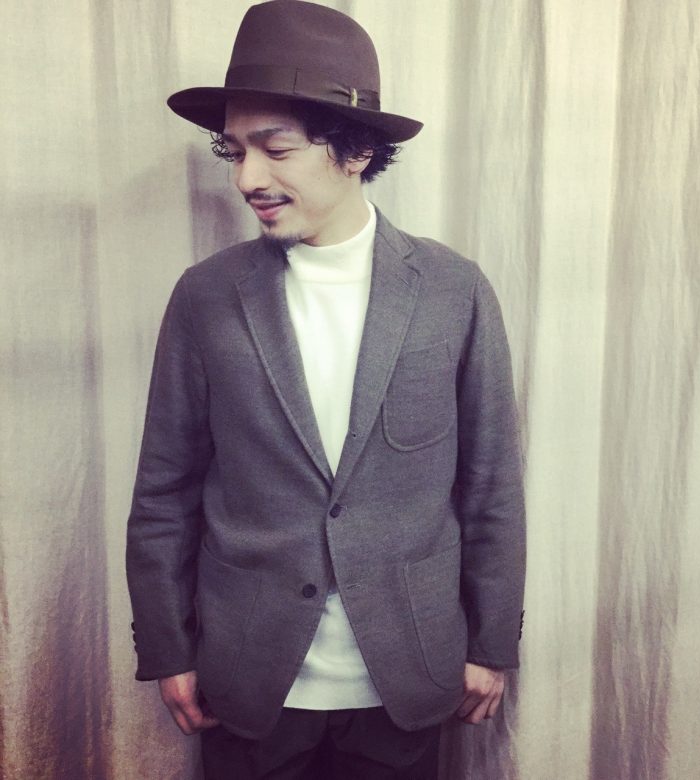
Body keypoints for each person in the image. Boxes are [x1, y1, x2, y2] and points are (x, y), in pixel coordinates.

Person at [126, 1, 525, 777]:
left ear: (354, 149)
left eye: (275, 148)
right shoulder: (205, 297)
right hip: (248, 680)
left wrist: (491, 640)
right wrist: (168, 649)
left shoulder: (454, 290)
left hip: (408, 675)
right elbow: (163, 493)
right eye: (234, 150)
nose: (247, 178)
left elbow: (492, 487)